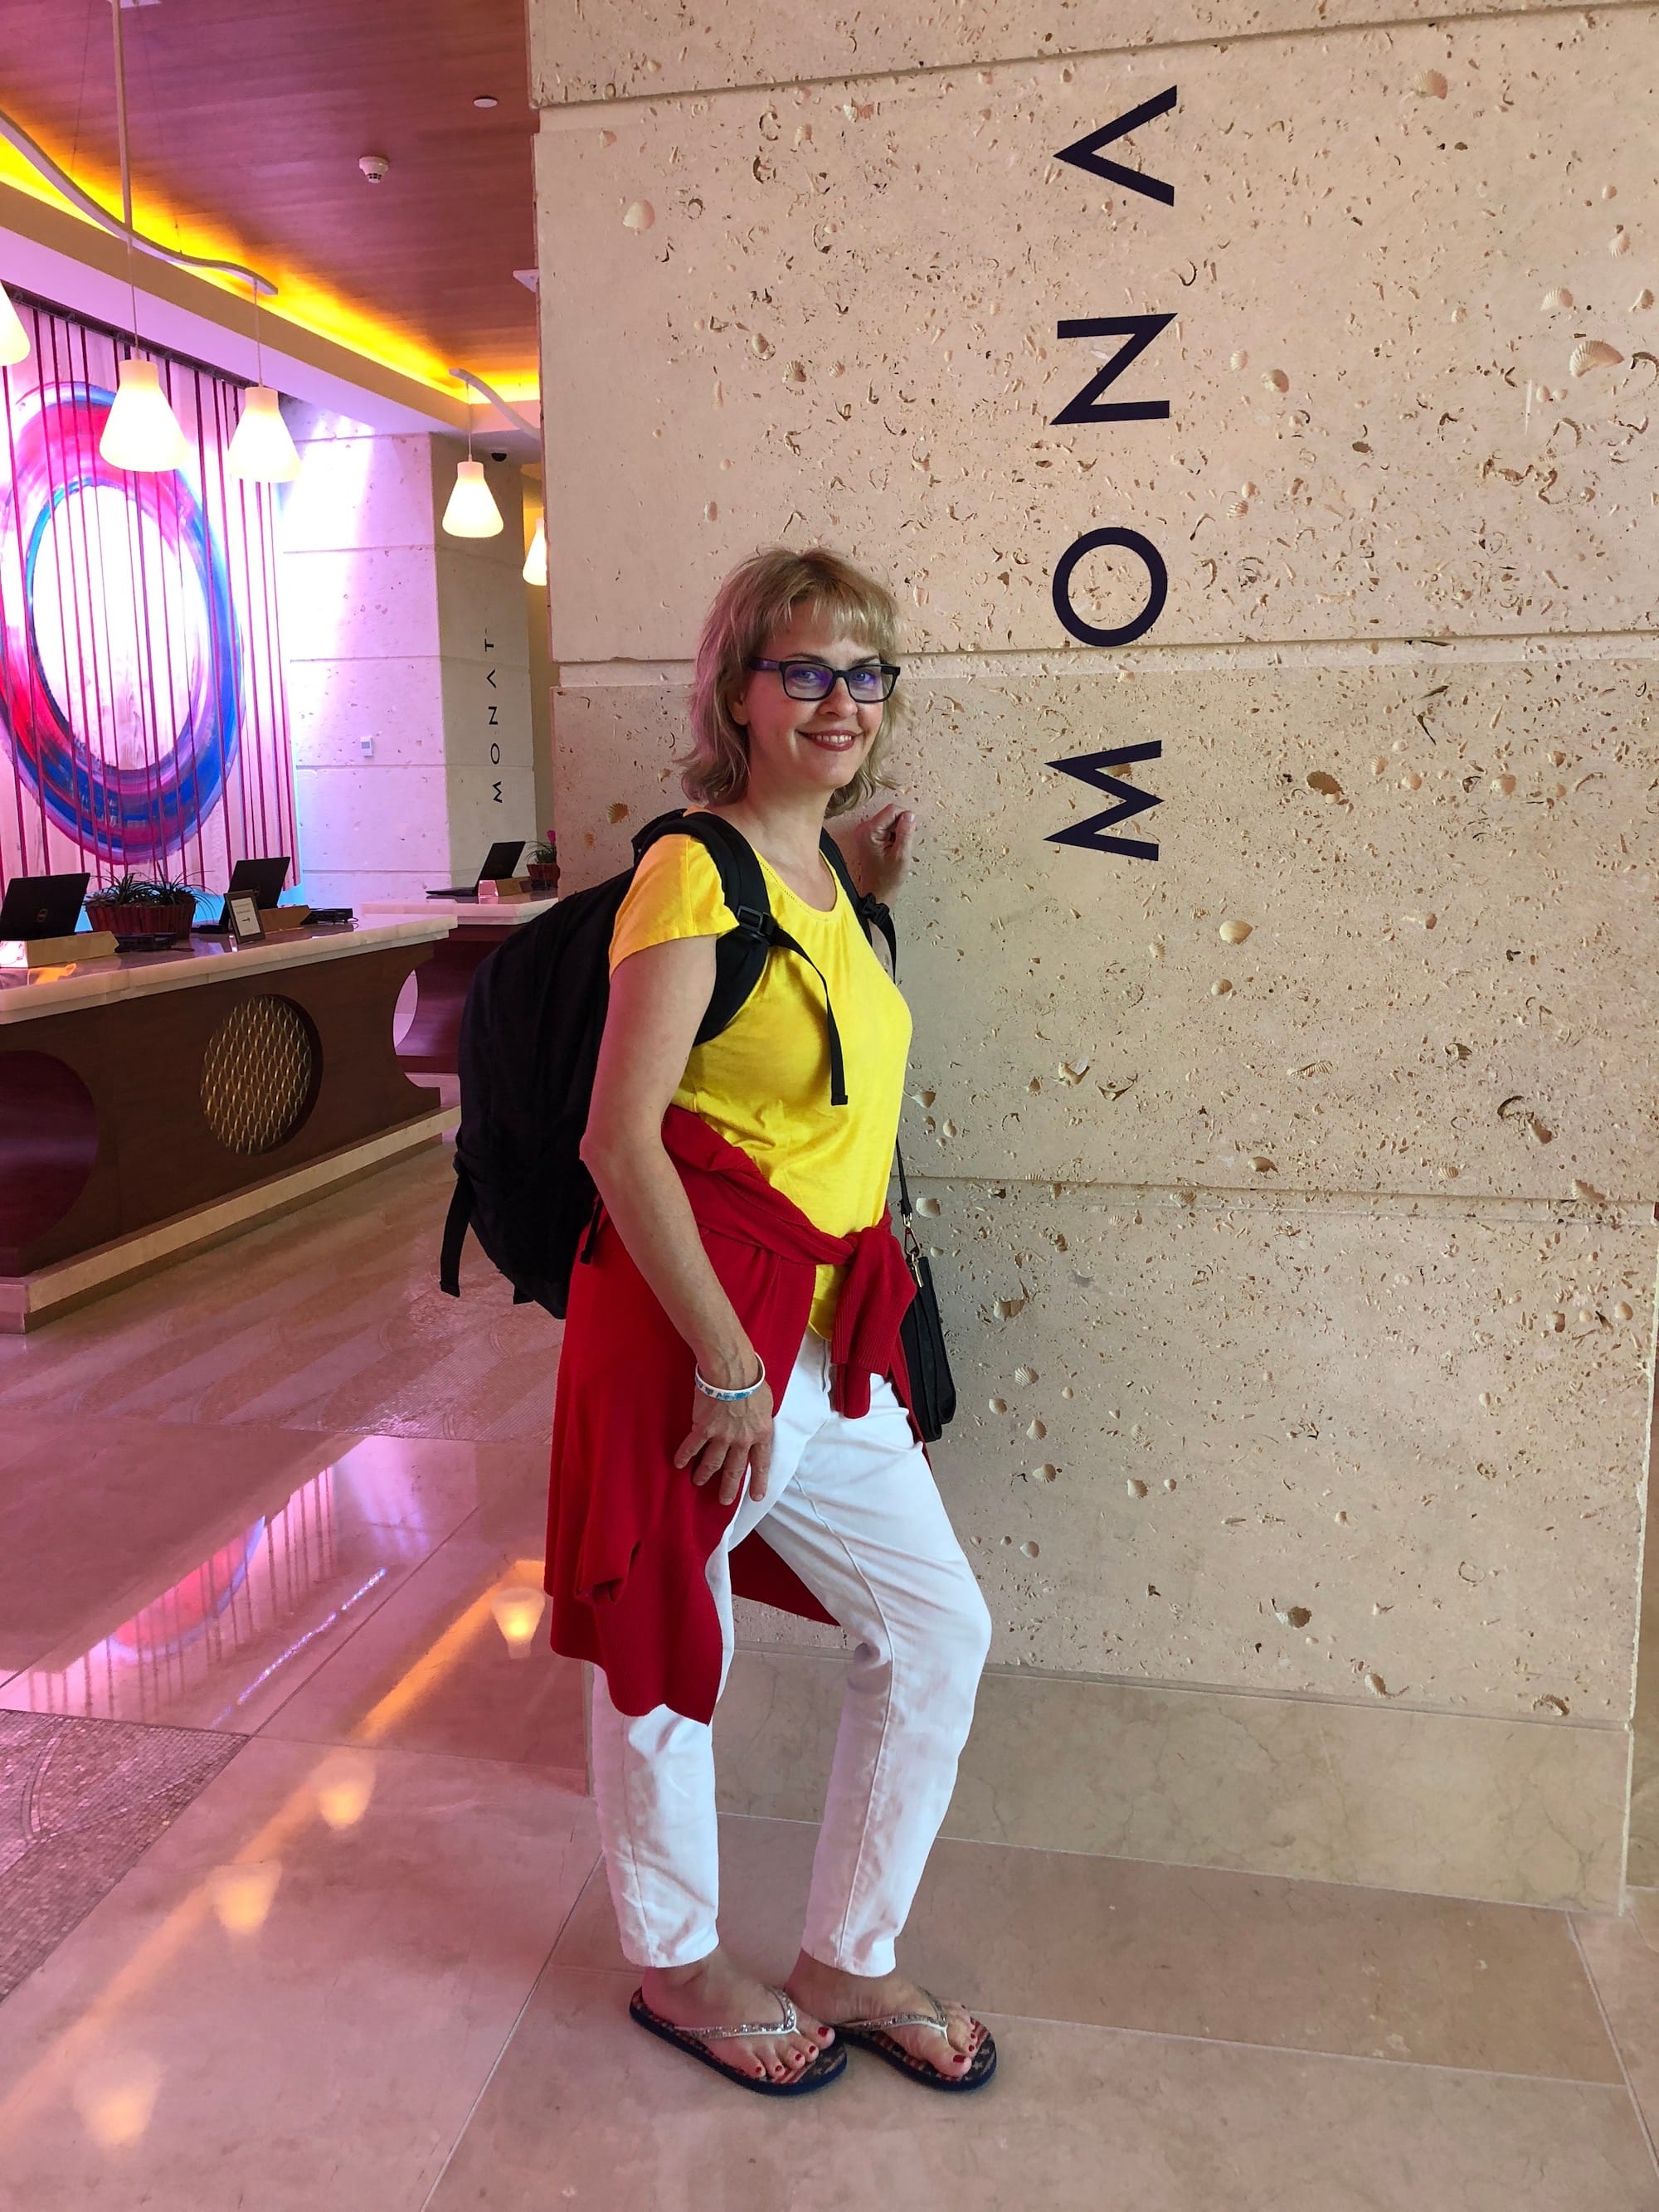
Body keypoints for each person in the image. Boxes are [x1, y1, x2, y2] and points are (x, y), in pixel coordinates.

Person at [546, 544, 995, 2098]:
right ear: (734, 692)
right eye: (803, 670)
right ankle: (677, 1965)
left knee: (934, 1628)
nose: (840, 700)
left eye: (866, 674)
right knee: (668, 1647)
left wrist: (850, 880)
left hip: (824, 1331)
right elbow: (620, 1140)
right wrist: (731, 1368)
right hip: (703, 1329)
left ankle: (848, 1960)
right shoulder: (692, 873)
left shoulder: (823, 885)